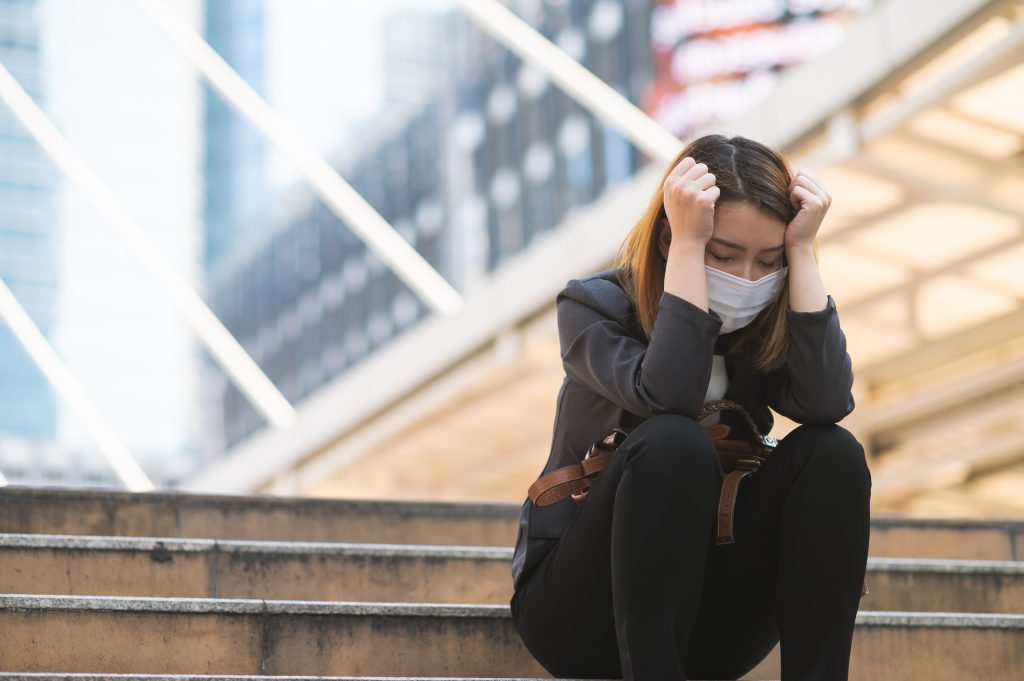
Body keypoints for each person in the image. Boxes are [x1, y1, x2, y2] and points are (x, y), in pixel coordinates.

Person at [508, 133, 872, 681]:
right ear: (667, 238)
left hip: (709, 618)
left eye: (767, 261)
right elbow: (669, 397)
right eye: (723, 254)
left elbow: (826, 402)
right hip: (581, 613)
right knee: (672, 440)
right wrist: (686, 248)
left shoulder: (762, 324)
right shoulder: (592, 308)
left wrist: (800, 252)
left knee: (833, 452)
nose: (746, 280)